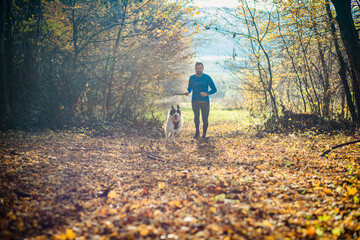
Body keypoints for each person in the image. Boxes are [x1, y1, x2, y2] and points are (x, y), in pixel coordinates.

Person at [185, 62, 217, 139]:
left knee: (205, 119)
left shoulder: (207, 77)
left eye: (200, 68)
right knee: (196, 117)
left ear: (203, 68)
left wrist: (207, 93)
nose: (198, 70)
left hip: (205, 102)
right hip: (195, 100)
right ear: (195, 69)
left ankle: (204, 134)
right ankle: (197, 132)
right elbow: (190, 87)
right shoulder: (192, 78)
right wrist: (188, 91)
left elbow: (214, 89)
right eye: (197, 68)